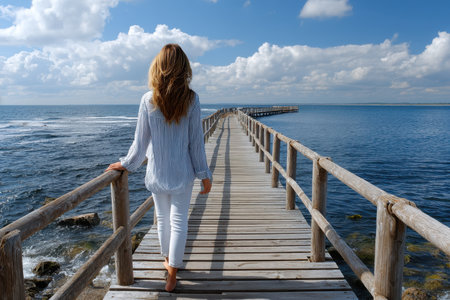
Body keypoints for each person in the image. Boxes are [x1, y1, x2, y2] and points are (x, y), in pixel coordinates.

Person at [106, 44, 212, 292]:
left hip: (157, 171)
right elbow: (196, 142)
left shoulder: (148, 98)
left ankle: (167, 261)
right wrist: (204, 175)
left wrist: (126, 164)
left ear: (159, 66)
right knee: (179, 221)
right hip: (183, 172)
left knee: (163, 219)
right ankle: (173, 272)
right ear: (184, 67)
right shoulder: (192, 99)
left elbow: (140, 142)